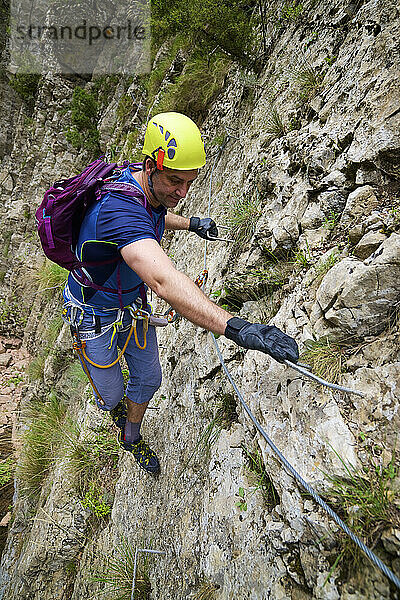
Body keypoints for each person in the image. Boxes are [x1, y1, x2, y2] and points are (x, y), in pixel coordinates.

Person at [63, 112, 299, 474]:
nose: (183, 192)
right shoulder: (117, 209)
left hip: (131, 307)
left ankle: (131, 436)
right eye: (175, 181)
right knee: (110, 396)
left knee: (149, 379)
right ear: (151, 166)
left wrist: (191, 223)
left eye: (189, 183)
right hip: (92, 315)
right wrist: (237, 328)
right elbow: (164, 282)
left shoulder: (143, 185)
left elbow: (155, 213)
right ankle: (116, 412)